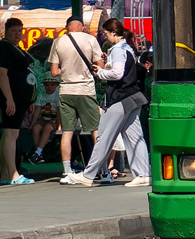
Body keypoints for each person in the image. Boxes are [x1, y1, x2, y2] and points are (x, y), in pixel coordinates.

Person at [61, 19, 150, 188]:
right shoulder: (126, 48)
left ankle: (88, 175)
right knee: (135, 137)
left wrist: (100, 72)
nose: (105, 36)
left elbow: (116, 74)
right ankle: (143, 174)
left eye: (106, 33)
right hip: (133, 96)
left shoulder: (117, 49)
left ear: (113, 33)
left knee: (104, 137)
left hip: (119, 98)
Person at [47, 16, 104, 178]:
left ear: (67, 27)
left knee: (67, 132)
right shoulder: (90, 40)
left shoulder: (58, 42)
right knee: (95, 130)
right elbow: (99, 67)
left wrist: (66, 71)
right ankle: (100, 168)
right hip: (85, 90)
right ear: (81, 27)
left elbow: (54, 72)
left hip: (66, 91)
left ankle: (67, 171)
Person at [0, 18, 36, 185]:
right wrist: (9, 99)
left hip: (21, 98)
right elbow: (2, 73)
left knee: (9, 134)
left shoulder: (16, 49)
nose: (17, 34)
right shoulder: (4, 48)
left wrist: (29, 98)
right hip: (12, 98)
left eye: (20, 31)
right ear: (6, 31)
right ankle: (13, 173)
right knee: (11, 134)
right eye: (13, 31)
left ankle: (5, 173)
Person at [26, 37, 59, 164]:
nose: (49, 87)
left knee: (46, 129)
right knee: (36, 128)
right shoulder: (41, 93)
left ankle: (39, 151)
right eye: (47, 85)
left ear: (56, 85)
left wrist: (60, 123)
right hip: (43, 116)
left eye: (51, 85)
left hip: (54, 118)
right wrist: (32, 123)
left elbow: (60, 110)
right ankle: (38, 151)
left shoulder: (58, 93)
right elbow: (37, 109)